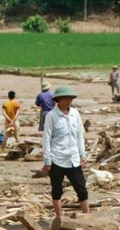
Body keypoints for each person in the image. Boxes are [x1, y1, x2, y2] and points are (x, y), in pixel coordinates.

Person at [42, 85, 89, 216]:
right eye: (65, 98)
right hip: (57, 159)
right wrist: (47, 160)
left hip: (73, 159)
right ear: (58, 99)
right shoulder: (51, 116)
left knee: (82, 189)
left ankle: (88, 217)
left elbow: (79, 135)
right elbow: (46, 139)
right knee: (57, 190)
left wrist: (82, 154)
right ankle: (59, 218)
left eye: (70, 98)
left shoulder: (75, 114)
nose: (68, 100)